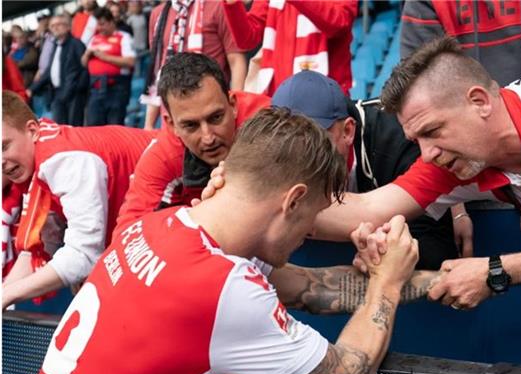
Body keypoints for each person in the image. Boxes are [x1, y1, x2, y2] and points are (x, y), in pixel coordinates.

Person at [2, 108, 428, 374]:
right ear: (292, 200)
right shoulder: (219, 288)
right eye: (310, 219)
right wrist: (386, 285)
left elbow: (307, 288)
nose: (306, 236)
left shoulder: (155, 227)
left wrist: (391, 275)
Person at [204, 36, 521, 307]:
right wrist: (251, 196)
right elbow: (365, 208)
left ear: (479, 102)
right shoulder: (459, 155)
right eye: (417, 141)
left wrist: (496, 271)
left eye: (434, 131)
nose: (428, 154)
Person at [268, 69, 494, 268]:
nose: (299, 158)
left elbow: (436, 251)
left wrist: (381, 250)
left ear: (347, 131)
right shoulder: (270, 155)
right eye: (286, 143)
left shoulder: (400, 137)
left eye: (313, 142)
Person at [1, 91, 155, 309]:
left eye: (3, 146)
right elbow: (41, 244)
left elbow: (84, 256)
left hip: (183, 188)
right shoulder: (38, 154)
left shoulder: (63, 161)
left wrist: (7, 296)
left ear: (32, 130)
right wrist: (3, 295)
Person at [113, 52, 269, 237]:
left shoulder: (267, 123)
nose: (208, 137)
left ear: (233, 105)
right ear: (172, 125)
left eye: (216, 118)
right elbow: (127, 236)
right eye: (191, 125)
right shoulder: (165, 155)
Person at [141, 0, 248, 130]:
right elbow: (157, 71)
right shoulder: (158, 14)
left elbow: (236, 61)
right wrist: (149, 124)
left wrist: (239, 111)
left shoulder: (219, 6)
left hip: (211, 115)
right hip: (172, 119)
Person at [222, 0, 357, 96]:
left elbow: (340, 21)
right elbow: (248, 38)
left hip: (325, 100)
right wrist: (232, 4)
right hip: (278, 102)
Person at [29, 15, 90, 127]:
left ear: (67, 27)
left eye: (58, 25)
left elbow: (85, 69)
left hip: (74, 95)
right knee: (60, 130)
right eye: (52, 26)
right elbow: (49, 72)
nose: (55, 28)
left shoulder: (76, 43)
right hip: (58, 94)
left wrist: (78, 88)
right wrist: (32, 89)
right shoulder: (56, 46)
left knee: (74, 130)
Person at [82, 7, 136, 126]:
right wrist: (86, 55)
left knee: (114, 128)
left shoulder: (123, 37)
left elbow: (131, 62)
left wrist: (103, 56)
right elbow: (83, 63)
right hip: (95, 89)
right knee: (94, 128)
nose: (100, 28)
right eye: (98, 25)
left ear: (112, 22)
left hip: (116, 89)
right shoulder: (94, 39)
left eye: (103, 24)